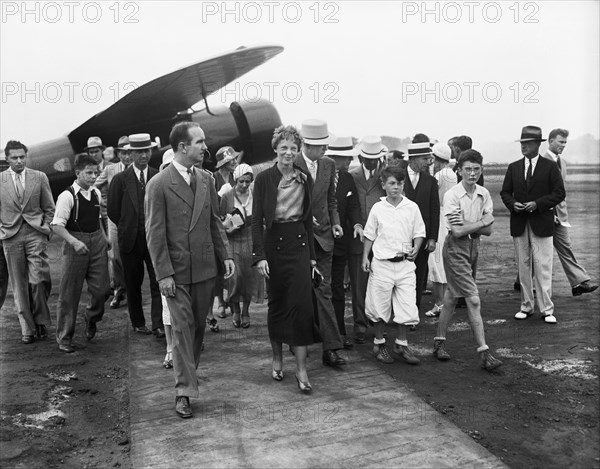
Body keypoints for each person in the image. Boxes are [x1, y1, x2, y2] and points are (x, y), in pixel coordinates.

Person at [146, 122, 234, 418]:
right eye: (199, 142)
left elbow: (214, 221)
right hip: (177, 274)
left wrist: (226, 256)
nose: (204, 147)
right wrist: (164, 274)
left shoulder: (206, 179)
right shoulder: (158, 184)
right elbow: (154, 234)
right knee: (182, 329)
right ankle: (183, 391)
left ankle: (187, 377)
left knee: (196, 330)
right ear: (182, 147)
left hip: (206, 270)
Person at [253, 124, 321, 393]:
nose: (289, 152)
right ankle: (278, 357)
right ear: (275, 149)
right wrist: (259, 257)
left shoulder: (305, 178)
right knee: (278, 306)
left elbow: (307, 221)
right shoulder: (263, 179)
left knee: (303, 308)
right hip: (274, 247)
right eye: (284, 147)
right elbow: (256, 220)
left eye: (294, 148)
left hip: (300, 245)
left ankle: (302, 370)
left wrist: (313, 259)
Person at [432, 149, 502, 370]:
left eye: (476, 169)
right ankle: (484, 353)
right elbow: (458, 230)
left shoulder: (484, 193)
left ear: (481, 170)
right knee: (473, 299)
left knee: (452, 297)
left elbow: (490, 231)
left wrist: (476, 226)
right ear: (459, 170)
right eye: (468, 169)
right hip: (455, 247)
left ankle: (438, 343)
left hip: (474, 247)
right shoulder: (452, 195)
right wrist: (482, 222)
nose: (472, 173)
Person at [295, 119, 347, 368]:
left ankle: (331, 348)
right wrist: (305, 218)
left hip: (325, 238)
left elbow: (331, 200)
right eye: (321, 147)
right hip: (300, 240)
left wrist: (335, 222)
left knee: (324, 291)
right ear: (306, 145)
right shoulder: (289, 164)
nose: (325, 151)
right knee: (300, 294)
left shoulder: (328, 165)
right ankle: (298, 344)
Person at [500, 126, 565, 324]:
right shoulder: (513, 167)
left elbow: (559, 193)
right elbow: (505, 193)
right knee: (524, 265)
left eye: (527, 143)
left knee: (543, 266)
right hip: (519, 223)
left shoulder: (550, 166)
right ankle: (526, 306)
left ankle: (547, 309)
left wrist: (537, 204)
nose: (524, 147)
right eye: (522, 143)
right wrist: (514, 205)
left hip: (542, 223)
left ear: (538, 144)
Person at [361, 165, 425, 365]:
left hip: (405, 264)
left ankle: (401, 344)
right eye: (392, 183)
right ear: (384, 185)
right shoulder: (378, 209)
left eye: (400, 183)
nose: (396, 187)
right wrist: (365, 257)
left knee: (407, 306)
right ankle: (379, 344)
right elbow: (369, 235)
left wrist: (416, 247)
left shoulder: (412, 207)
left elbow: (419, 232)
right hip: (382, 264)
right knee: (380, 307)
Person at [52, 153, 111, 353]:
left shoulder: (95, 192)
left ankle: (91, 317)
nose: (94, 176)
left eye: (96, 172)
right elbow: (57, 226)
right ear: (78, 173)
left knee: (103, 290)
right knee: (69, 294)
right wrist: (74, 242)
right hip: (75, 244)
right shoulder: (67, 196)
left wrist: (104, 237)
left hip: (97, 243)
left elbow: (97, 219)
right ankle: (64, 338)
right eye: (89, 173)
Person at [108, 133, 164, 337]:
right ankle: (138, 322)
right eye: (138, 152)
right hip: (130, 240)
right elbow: (113, 211)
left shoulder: (158, 176)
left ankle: (158, 324)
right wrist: (127, 227)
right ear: (130, 154)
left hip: (154, 239)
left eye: (146, 151)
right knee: (133, 282)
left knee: (159, 280)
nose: (143, 155)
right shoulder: (120, 180)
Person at [0, 140, 55, 344]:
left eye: (22, 156)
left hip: (35, 233)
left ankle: (40, 320)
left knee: (39, 279)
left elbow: (49, 206)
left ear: (26, 156)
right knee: (19, 285)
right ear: (7, 159)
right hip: (10, 236)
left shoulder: (39, 177)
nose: (19, 161)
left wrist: (46, 227)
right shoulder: (0, 180)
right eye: (14, 157)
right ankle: (27, 328)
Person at [542, 128, 598, 296]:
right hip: (544, 215)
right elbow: (541, 191)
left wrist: (561, 214)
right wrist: (549, 213)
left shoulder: (563, 162)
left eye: (565, 142)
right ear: (550, 141)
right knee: (534, 251)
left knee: (566, 248)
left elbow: (560, 191)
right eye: (560, 141)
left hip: (561, 217)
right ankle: (520, 281)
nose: (563, 145)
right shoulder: (541, 162)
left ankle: (578, 283)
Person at [348, 136, 386, 344]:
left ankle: (379, 323)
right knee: (359, 284)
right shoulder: (351, 176)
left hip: (382, 239)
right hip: (358, 239)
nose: (371, 162)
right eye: (367, 158)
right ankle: (360, 324)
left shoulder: (386, 177)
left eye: (375, 159)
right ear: (361, 156)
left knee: (380, 283)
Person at [325, 137, 362, 349]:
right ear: (333, 157)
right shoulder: (320, 175)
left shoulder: (348, 179)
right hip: (320, 242)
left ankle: (339, 331)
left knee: (337, 288)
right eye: (344, 158)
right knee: (319, 288)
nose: (348, 162)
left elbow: (354, 206)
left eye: (349, 158)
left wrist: (357, 224)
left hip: (340, 244)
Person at [219, 163, 263, 328]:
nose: (244, 185)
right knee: (235, 279)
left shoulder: (255, 195)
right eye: (241, 181)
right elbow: (220, 221)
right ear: (235, 180)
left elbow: (261, 218)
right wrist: (229, 223)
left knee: (249, 279)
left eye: (247, 181)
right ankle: (235, 309)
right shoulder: (227, 196)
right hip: (233, 242)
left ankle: (245, 311)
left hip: (251, 240)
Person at [95, 135, 131, 309]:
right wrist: (102, 201)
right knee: (115, 255)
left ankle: (134, 290)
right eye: (123, 153)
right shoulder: (110, 170)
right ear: (118, 153)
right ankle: (119, 290)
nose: (127, 156)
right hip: (114, 219)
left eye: (129, 152)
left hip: (135, 219)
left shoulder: (140, 169)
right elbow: (93, 185)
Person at [403, 141, 440, 312]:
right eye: (425, 158)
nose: (428, 162)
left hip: (423, 239)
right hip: (400, 237)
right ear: (413, 158)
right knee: (400, 276)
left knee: (418, 276)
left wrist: (432, 237)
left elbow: (434, 211)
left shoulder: (431, 181)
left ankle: (413, 313)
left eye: (429, 158)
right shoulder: (398, 177)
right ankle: (398, 312)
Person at [425, 142, 457, 317]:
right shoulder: (451, 173)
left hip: (440, 218)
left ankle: (439, 303)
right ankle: (444, 303)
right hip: (448, 218)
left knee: (436, 263)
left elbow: (434, 199)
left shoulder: (440, 175)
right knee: (443, 263)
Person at [212, 146, 240, 318]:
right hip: (217, 224)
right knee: (217, 266)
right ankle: (220, 302)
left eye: (236, 160)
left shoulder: (235, 177)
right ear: (224, 162)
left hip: (234, 224)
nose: (235, 162)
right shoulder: (213, 178)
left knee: (232, 263)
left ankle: (231, 298)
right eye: (232, 160)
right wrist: (219, 195)